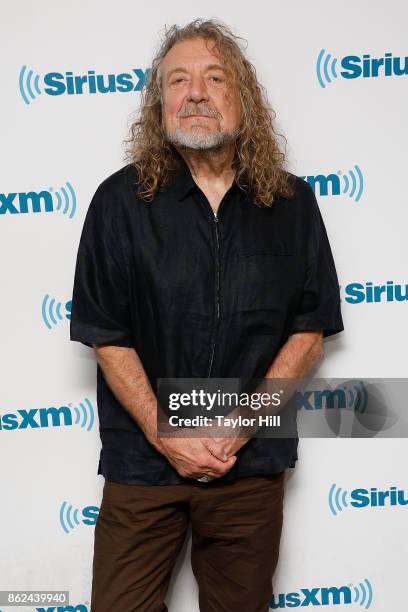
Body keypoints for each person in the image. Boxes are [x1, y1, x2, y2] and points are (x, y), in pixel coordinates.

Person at [70, 18, 344, 612]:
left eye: (214, 77)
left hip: (248, 463)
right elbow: (106, 335)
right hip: (143, 461)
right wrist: (166, 433)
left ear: (241, 98)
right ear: (159, 102)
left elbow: (308, 332)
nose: (195, 92)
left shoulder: (293, 204)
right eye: (178, 80)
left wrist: (239, 426)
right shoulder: (117, 203)